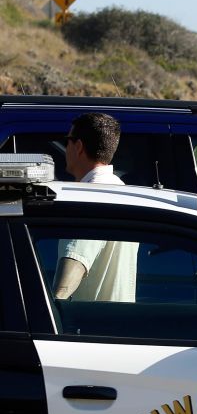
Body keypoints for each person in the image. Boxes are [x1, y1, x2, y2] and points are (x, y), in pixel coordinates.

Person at [53, 112, 137, 302]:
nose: (66, 148)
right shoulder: (122, 190)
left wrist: (52, 308)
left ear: (79, 146)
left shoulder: (88, 196)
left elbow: (75, 260)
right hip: (117, 323)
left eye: (68, 141)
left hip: (89, 323)